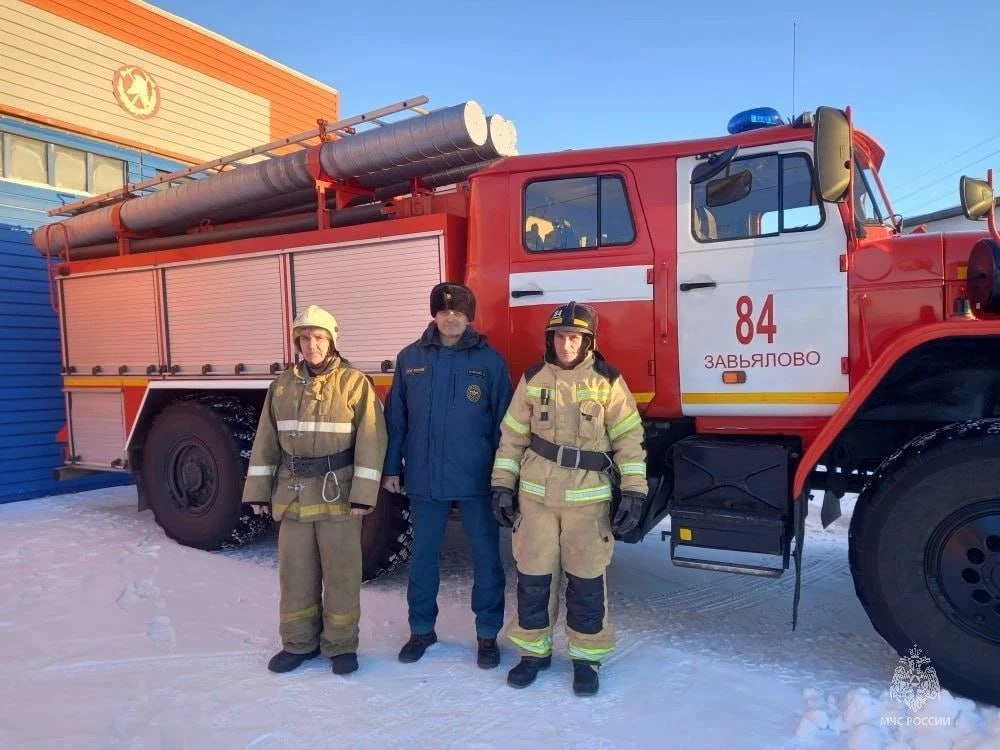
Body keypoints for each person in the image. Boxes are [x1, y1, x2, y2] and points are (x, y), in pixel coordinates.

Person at [490, 301, 647, 696]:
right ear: (551, 338)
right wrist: (502, 485)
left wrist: (634, 490)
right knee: (533, 579)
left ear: (588, 341)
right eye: (560, 337)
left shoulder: (608, 381)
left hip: (587, 502)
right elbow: (511, 438)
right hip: (536, 499)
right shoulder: (532, 378)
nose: (566, 345)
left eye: (574, 337)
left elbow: (630, 439)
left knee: (587, 582)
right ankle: (533, 653)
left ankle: (585, 659)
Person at [243, 304, 387, 676]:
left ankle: (341, 645)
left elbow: (372, 441)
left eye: (319, 337)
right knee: (296, 574)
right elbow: (265, 441)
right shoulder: (282, 386)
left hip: (337, 494)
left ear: (332, 341)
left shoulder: (355, 383)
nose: (312, 345)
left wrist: (363, 494)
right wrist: (258, 491)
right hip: (291, 495)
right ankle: (298, 643)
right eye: (305, 338)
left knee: (342, 574)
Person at [382, 282, 513, 669]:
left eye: (457, 312)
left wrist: (504, 476)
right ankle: (421, 629)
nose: (450, 317)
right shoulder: (410, 359)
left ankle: (487, 635)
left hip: (477, 480)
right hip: (425, 480)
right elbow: (397, 421)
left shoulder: (490, 362)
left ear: (469, 316)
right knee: (422, 558)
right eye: (443, 311)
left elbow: (505, 425)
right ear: (434, 315)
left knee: (488, 559)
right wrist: (392, 468)